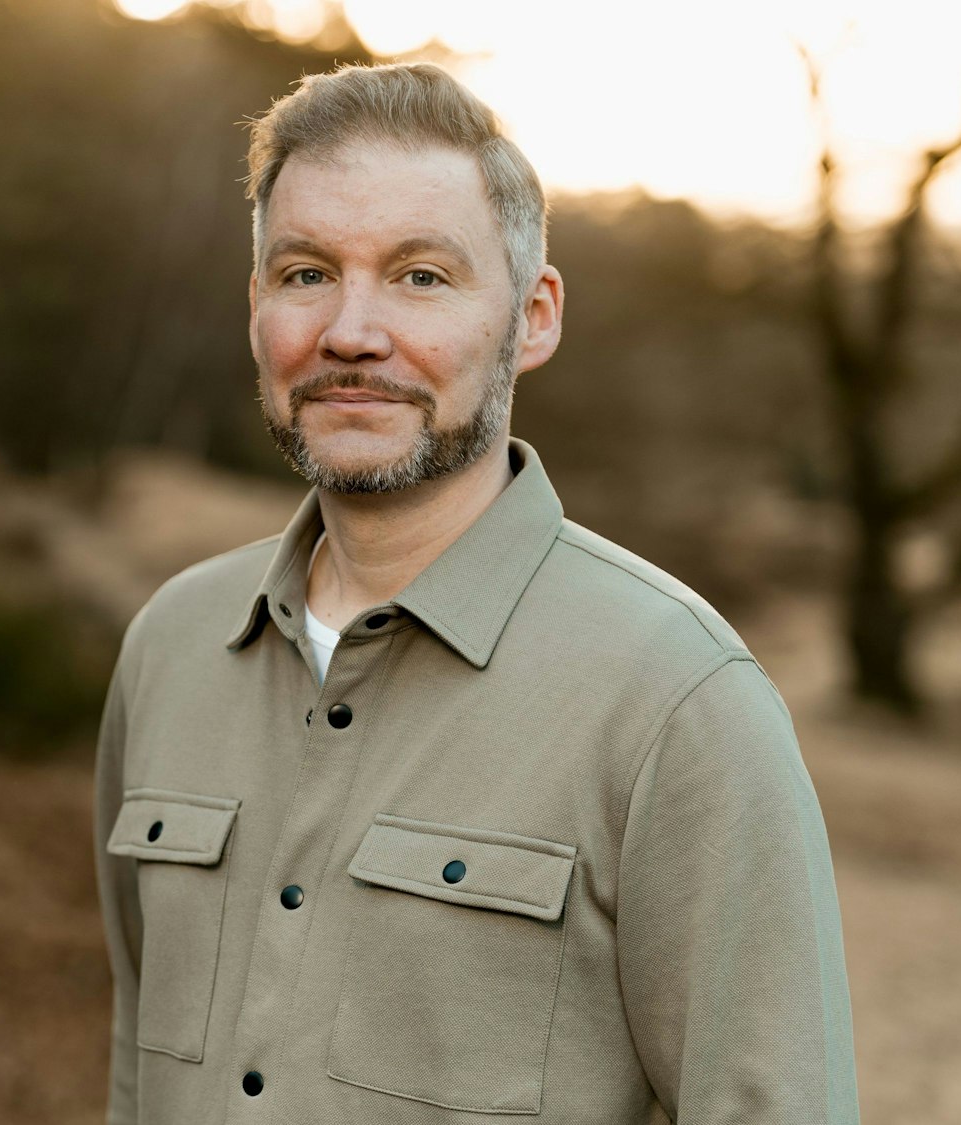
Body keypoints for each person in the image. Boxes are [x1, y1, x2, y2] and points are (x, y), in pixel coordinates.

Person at [92, 61, 858, 1125]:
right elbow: (138, 1061)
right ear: (257, 306)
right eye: (306, 273)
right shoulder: (168, 645)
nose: (350, 332)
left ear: (531, 318)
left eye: (420, 277)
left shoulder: (677, 698)